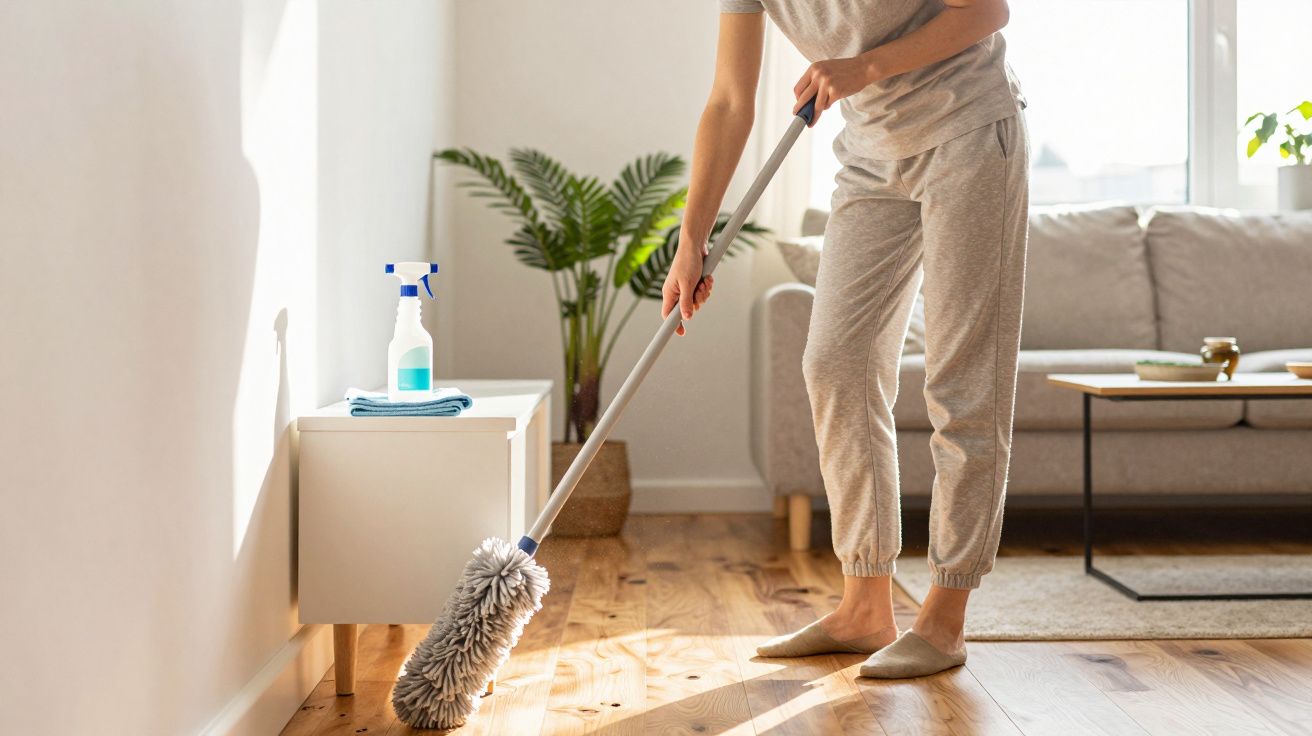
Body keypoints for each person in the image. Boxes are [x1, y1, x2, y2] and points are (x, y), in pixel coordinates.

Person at [661, 0, 1029, 678]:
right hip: (869, 155)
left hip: (969, 132)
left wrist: (865, 65)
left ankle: (944, 620)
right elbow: (729, 100)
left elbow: (986, 9)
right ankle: (866, 608)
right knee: (835, 363)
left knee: (961, 382)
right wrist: (692, 241)